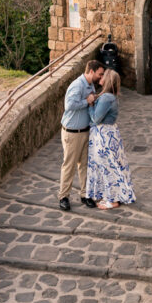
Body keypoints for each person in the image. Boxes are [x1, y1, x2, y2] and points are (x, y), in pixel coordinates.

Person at [85, 69, 135, 210]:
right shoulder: (109, 96)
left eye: (103, 75)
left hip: (104, 136)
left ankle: (112, 200)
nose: (100, 77)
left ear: (107, 80)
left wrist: (90, 104)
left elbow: (95, 118)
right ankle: (112, 196)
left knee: (107, 167)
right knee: (111, 165)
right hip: (108, 133)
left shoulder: (107, 97)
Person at [58, 60, 105, 211]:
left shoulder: (90, 85)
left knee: (85, 165)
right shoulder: (77, 85)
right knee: (69, 166)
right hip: (72, 133)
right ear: (91, 71)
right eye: (100, 74)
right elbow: (69, 105)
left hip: (85, 131)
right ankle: (64, 197)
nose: (100, 76)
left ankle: (85, 195)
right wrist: (87, 101)